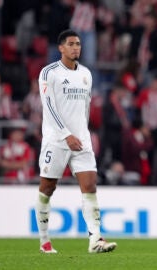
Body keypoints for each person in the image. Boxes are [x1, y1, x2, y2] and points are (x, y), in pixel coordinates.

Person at [35, 29, 117, 254]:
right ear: (61, 48)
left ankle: (95, 240)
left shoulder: (86, 74)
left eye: (78, 44)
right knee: (47, 188)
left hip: (81, 141)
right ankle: (44, 241)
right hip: (56, 140)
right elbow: (48, 107)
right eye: (71, 44)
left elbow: (86, 108)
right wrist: (65, 135)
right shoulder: (49, 72)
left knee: (90, 186)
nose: (76, 48)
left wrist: (82, 133)